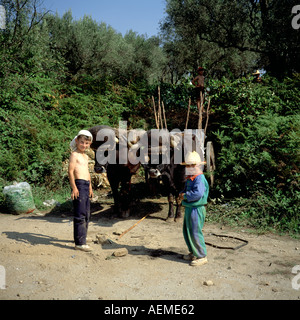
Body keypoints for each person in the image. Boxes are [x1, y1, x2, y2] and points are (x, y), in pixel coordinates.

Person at [179, 151, 209, 266]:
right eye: (187, 165)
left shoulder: (199, 178)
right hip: (189, 208)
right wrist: (182, 193)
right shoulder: (190, 178)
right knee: (188, 231)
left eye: (189, 165)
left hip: (197, 209)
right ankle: (193, 252)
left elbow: (198, 194)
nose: (187, 168)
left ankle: (202, 256)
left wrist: (185, 196)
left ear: (196, 166)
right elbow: (186, 190)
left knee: (195, 232)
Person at [68, 130, 94, 252]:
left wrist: (90, 187)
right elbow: (71, 171)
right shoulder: (74, 155)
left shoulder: (85, 156)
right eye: (82, 142)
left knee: (87, 213)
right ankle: (79, 243)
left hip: (86, 185)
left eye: (87, 143)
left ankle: (82, 236)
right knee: (80, 214)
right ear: (77, 141)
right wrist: (74, 187)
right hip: (78, 184)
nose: (84, 145)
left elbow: (87, 172)